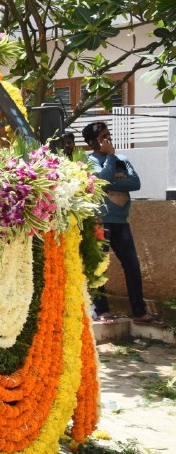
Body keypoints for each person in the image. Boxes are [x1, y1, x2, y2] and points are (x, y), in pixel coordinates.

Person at [82, 121, 163, 326]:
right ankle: (102, 311)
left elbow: (135, 183)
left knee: (133, 266)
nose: (109, 139)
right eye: (103, 137)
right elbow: (101, 181)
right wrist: (109, 158)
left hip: (121, 222)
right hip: (99, 221)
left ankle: (139, 311)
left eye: (109, 134)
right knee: (99, 267)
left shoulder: (122, 158)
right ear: (92, 142)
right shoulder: (87, 160)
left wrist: (112, 179)